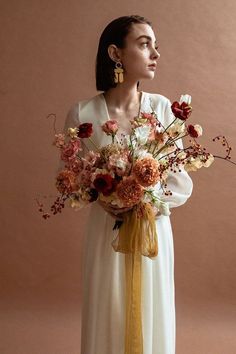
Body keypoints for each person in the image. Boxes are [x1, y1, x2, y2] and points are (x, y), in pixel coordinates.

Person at [64, 15, 193, 354]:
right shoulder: (83, 114)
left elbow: (181, 183)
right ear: (115, 53)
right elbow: (71, 180)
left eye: (155, 44)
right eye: (144, 43)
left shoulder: (163, 110)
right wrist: (101, 193)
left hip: (152, 232)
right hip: (106, 233)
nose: (155, 53)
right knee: (107, 305)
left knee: (152, 308)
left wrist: (143, 196)